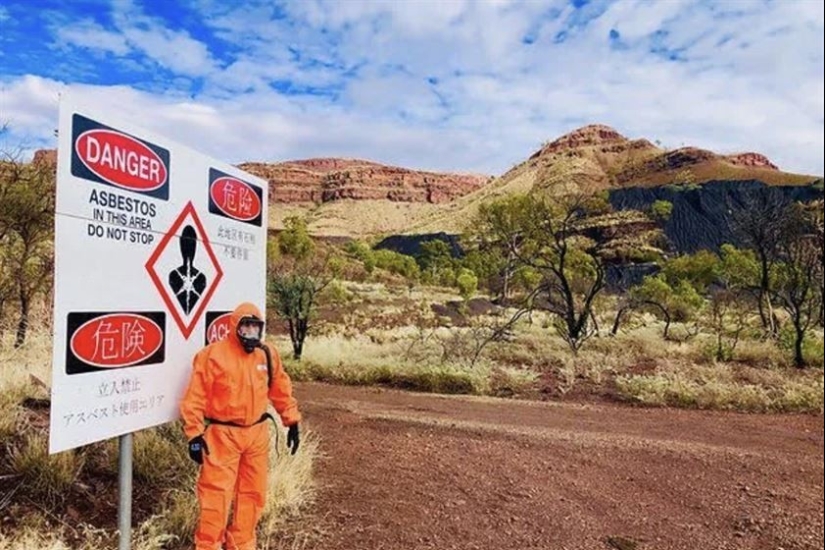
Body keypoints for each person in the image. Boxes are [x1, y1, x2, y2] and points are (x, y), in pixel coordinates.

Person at [180, 301, 301, 550]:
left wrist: (292, 421)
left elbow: (280, 388)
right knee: (216, 495)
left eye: (255, 328)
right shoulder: (212, 356)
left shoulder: (267, 354)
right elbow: (195, 397)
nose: (250, 334)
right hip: (222, 436)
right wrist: (194, 434)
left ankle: (242, 544)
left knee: (253, 494)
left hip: (257, 434)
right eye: (245, 328)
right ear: (235, 327)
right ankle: (208, 546)